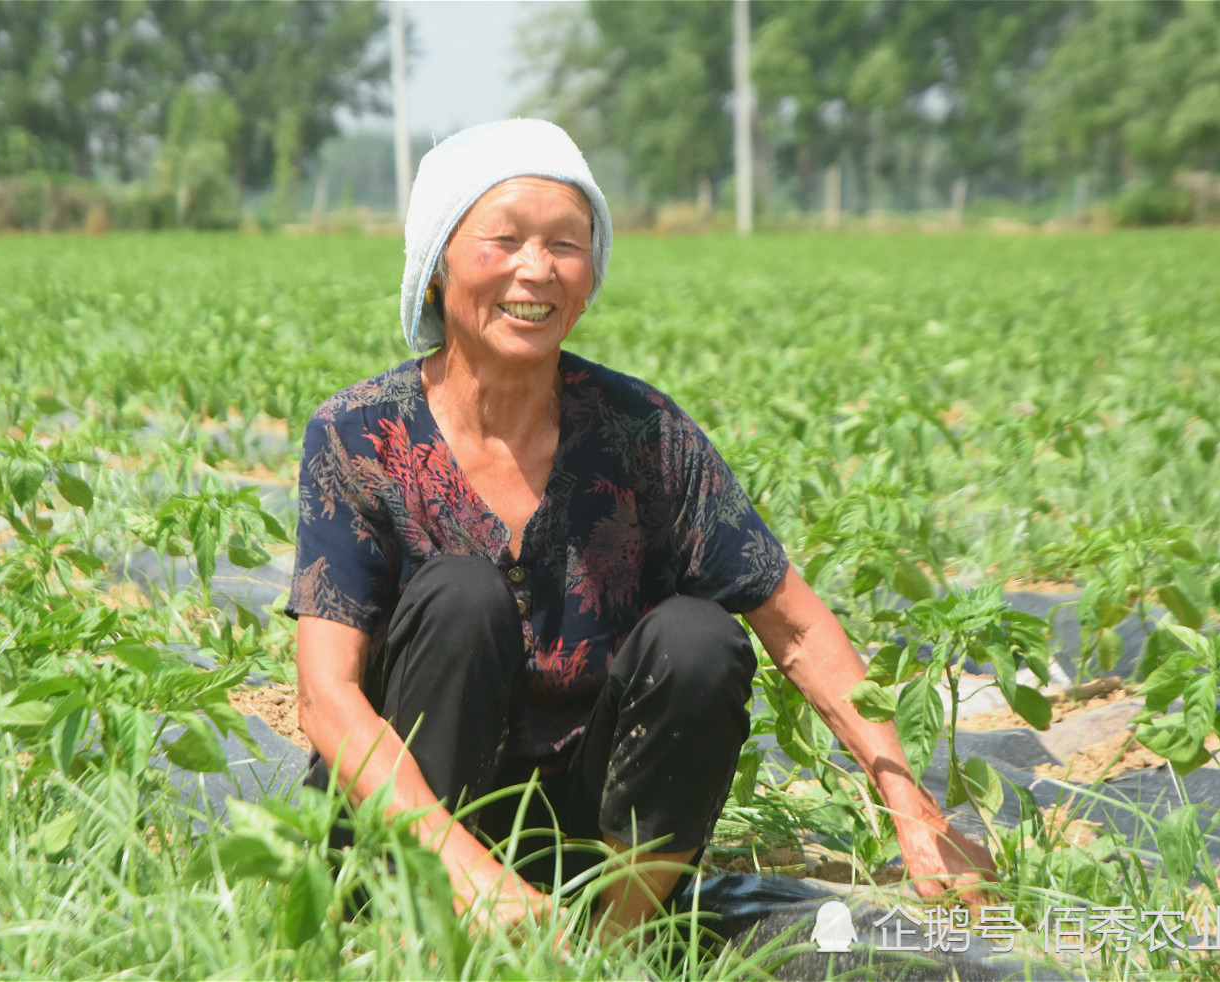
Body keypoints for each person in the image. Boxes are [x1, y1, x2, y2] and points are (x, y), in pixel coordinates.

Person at [289, 118, 995, 934]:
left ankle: (602, 946)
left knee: (701, 639)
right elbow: (324, 696)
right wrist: (464, 870)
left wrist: (909, 805)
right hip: (407, 834)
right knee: (460, 596)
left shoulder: (642, 435)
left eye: (565, 244)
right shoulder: (358, 434)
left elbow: (796, 628)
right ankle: (412, 926)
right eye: (505, 239)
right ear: (439, 266)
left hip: (580, 846)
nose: (536, 269)